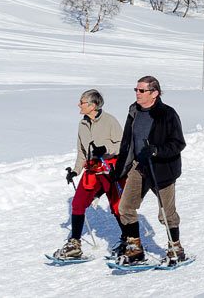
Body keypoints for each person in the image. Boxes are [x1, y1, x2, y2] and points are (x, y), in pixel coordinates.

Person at [113, 76, 188, 265]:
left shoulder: (167, 114)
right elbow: (127, 143)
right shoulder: (134, 112)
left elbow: (178, 143)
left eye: (141, 90)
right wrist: (120, 168)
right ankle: (135, 248)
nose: (137, 93)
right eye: (136, 90)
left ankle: (176, 249)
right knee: (125, 207)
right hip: (139, 167)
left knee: (166, 213)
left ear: (154, 93)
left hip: (162, 169)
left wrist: (156, 150)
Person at [52, 89, 124, 260]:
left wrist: (106, 149)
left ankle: (129, 240)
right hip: (92, 169)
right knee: (78, 203)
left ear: (93, 105)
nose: (79, 105)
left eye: (82, 102)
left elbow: (122, 145)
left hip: (109, 168)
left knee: (117, 206)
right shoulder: (82, 124)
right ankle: (75, 244)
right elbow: (82, 152)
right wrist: (76, 170)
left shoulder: (109, 121)